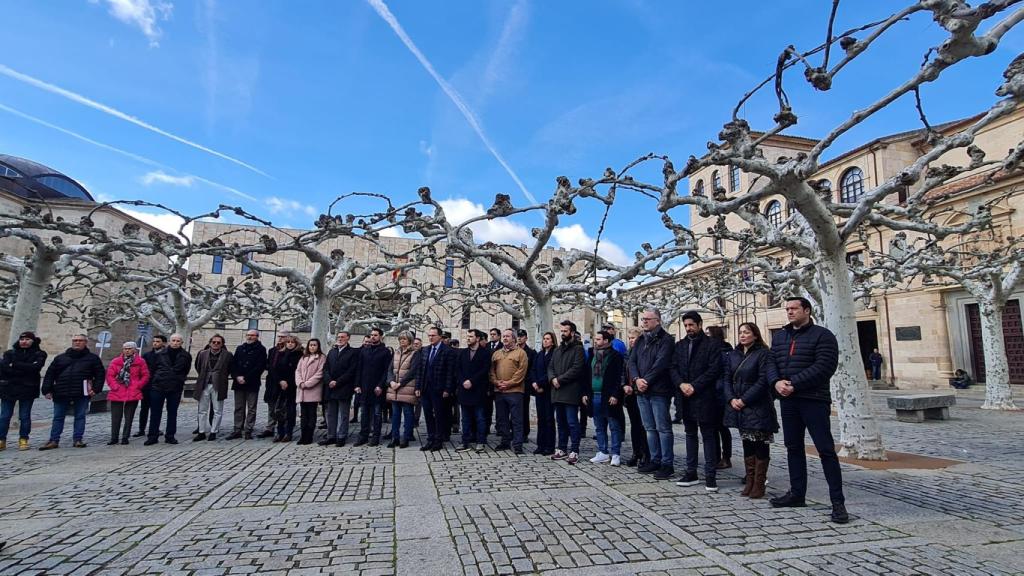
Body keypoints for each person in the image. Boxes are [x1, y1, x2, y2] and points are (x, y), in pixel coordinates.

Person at [769, 297, 848, 524]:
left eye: (794, 308)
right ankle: (797, 493)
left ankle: (837, 502)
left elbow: (824, 367)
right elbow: (772, 362)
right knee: (793, 447)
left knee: (825, 449)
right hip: (788, 400)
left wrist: (793, 382)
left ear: (807, 310)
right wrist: (776, 383)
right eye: (787, 309)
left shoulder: (823, 336)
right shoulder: (781, 336)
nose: (789, 312)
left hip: (813, 399)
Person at [723, 322, 779, 499]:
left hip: (758, 405)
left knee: (760, 443)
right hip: (738, 405)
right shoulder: (733, 355)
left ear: (755, 335)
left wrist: (744, 399)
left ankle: (759, 483)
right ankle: (750, 480)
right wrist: (731, 398)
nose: (742, 335)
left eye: (746, 332)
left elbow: (763, 380)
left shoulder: (764, 354)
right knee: (747, 442)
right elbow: (726, 378)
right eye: (740, 332)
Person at [673, 311, 724, 490]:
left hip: (704, 396)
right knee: (690, 434)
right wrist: (681, 384)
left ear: (699, 325)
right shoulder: (679, 345)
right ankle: (691, 471)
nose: (688, 329)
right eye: (686, 326)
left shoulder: (712, 345)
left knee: (708, 435)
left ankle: (710, 474)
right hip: (684, 397)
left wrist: (694, 385)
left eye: (691, 325)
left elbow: (714, 369)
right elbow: (673, 368)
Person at [629, 308, 676, 479]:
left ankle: (667, 463)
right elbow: (632, 361)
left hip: (659, 390)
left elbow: (661, 363)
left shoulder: (666, 340)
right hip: (641, 391)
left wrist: (645, 381)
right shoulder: (641, 340)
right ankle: (654, 459)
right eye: (643, 319)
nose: (644, 322)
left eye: (648, 319)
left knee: (663, 428)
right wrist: (636, 379)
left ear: (658, 320)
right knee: (649, 428)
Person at [39, 334, 105, 450]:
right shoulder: (61, 358)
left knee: (80, 416)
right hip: (61, 391)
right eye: (75, 340)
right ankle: (54, 440)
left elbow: (100, 375)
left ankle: (78, 439)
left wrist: (96, 389)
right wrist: (47, 390)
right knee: (58, 417)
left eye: (80, 340)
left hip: (81, 392)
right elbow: (50, 374)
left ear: (85, 342)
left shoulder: (93, 358)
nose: (77, 342)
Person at [0, 331, 46, 451]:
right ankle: (1, 439)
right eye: (22, 339)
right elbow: (4, 368)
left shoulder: (39, 354)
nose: (24, 342)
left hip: (28, 388)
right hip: (9, 388)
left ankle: (23, 439)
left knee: (24, 416)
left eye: (27, 339)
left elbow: (35, 368)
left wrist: (14, 365)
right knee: (4, 416)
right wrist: (25, 368)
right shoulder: (9, 353)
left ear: (32, 341)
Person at [549, 320, 586, 465]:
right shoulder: (557, 350)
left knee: (572, 422)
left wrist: (560, 379)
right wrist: (552, 378)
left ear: (571, 332)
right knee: (561, 422)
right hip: (557, 391)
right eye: (561, 331)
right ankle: (562, 448)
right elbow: (550, 366)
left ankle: (574, 450)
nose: (562, 333)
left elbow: (577, 369)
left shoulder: (578, 349)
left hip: (570, 391)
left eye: (565, 331)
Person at [588, 330, 626, 466]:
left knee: (614, 425)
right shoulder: (592, 354)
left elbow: (619, 377)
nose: (595, 341)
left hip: (609, 396)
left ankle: (616, 453)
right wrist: (586, 393)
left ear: (606, 341)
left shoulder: (615, 356)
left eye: (598, 339)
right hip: (595, 394)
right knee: (599, 426)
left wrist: (616, 394)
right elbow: (588, 375)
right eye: (595, 339)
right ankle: (602, 451)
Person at [145, 333, 191, 445]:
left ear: (181, 342)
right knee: (155, 412)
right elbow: (153, 369)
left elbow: (186, 370)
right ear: (169, 342)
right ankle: (152, 436)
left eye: (178, 341)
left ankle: (170, 436)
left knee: (172, 412)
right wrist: (156, 379)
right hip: (158, 386)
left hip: (175, 387)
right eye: (173, 340)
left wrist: (179, 379)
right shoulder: (160, 354)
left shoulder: (186, 356)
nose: (175, 343)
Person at [416, 326, 456, 451]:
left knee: (439, 415)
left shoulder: (447, 351)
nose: (431, 337)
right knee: (427, 414)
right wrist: (418, 386)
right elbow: (420, 370)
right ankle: (430, 438)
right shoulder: (425, 350)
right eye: (429, 335)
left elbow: (450, 372)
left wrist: (447, 389)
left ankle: (439, 440)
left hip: (439, 389)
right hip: (425, 389)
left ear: (439, 336)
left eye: (433, 335)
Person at [490, 328, 529, 454]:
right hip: (500, 391)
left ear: (513, 338)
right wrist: (497, 382)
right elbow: (491, 371)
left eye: (508, 336)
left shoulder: (521, 353)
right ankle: (505, 441)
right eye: (504, 336)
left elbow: (521, 372)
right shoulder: (496, 354)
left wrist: (509, 383)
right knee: (502, 419)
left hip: (515, 391)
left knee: (517, 419)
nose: (505, 338)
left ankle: (517, 444)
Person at [353, 328, 392, 447]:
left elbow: (386, 371)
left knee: (377, 414)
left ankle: (375, 436)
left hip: (377, 388)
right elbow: (359, 369)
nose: (373, 337)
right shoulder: (364, 351)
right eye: (371, 335)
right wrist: (357, 385)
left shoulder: (385, 352)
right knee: (364, 413)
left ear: (381, 336)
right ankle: (363, 436)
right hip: (364, 387)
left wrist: (381, 385)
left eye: (375, 335)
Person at [105, 342, 149, 445]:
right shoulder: (116, 361)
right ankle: (114, 437)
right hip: (117, 390)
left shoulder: (140, 362)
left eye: (129, 348)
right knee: (116, 417)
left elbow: (145, 375)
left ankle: (125, 437)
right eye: (125, 348)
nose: (127, 350)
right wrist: (114, 386)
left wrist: (138, 385)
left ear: (134, 350)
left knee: (129, 417)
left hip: (132, 391)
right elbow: (110, 376)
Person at [455, 329, 492, 452]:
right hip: (464, 390)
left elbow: (484, 370)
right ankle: (465, 441)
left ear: (477, 338)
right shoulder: (462, 353)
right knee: (465, 418)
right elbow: (458, 369)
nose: (468, 338)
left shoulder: (485, 353)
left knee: (480, 417)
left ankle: (480, 441)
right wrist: (463, 381)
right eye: (467, 336)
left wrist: (472, 381)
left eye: (471, 336)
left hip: (478, 390)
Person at [321, 331, 360, 446]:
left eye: (343, 337)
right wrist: (329, 380)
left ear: (348, 338)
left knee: (343, 413)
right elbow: (325, 368)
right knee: (331, 413)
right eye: (338, 337)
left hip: (344, 387)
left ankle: (342, 436)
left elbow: (351, 371)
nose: (340, 339)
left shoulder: (352, 352)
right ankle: (331, 435)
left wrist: (337, 382)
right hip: (330, 387)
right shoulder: (332, 352)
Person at [228, 330, 267, 440]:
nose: (250, 337)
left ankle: (248, 429)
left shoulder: (261, 349)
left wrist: (246, 378)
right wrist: (237, 376)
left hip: (252, 382)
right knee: (238, 407)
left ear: (257, 337)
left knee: (251, 407)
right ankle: (237, 429)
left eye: (252, 335)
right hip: (238, 382)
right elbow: (233, 364)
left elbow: (260, 366)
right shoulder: (240, 348)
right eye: (248, 335)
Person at [705, 325, 735, 470]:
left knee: (722, 427)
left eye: (708, 335)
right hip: (711, 394)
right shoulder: (711, 350)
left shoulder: (725, 352)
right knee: (714, 427)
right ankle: (716, 456)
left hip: (721, 394)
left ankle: (725, 457)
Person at [193, 334, 233, 442]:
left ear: (222, 344)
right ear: (210, 343)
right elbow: (198, 366)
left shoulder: (228, 355)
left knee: (217, 410)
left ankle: (214, 431)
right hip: (204, 384)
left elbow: (229, 369)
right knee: (202, 410)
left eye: (218, 342)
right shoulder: (202, 354)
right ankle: (201, 431)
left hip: (219, 385)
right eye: (213, 342)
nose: (215, 344)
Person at [386, 331, 419, 448]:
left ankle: (406, 437)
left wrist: (400, 383)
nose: (402, 341)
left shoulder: (414, 353)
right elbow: (390, 369)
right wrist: (391, 382)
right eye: (400, 339)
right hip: (394, 388)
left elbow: (412, 371)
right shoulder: (396, 352)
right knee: (395, 415)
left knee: (408, 414)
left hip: (406, 388)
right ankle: (395, 437)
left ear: (409, 340)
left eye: (404, 339)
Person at [622, 328, 650, 467]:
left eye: (633, 338)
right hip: (630, 394)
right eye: (629, 338)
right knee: (634, 425)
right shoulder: (628, 354)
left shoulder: (644, 353)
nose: (631, 340)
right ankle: (636, 452)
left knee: (643, 425)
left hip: (641, 392)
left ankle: (646, 453)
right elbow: (623, 372)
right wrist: (624, 385)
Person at [269, 335, 302, 443]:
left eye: (293, 342)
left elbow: (299, 371)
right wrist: (280, 381)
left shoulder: (299, 355)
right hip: (280, 386)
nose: (290, 344)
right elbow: (274, 369)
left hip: (292, 386)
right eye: (288, 342)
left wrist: (289, 382)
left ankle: (288, 432)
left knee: (290, 410)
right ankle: (280, 432)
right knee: (279, 410)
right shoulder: (280, 353)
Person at [260, 332, 291, 438]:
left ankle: (282, 427)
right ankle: (270, 427)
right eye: (279, 336)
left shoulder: (290, 351)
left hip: (284, 382)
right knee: (271, 405)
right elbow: (269, 365)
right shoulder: (272, 350)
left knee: (282, 407)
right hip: (272, 382)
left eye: (283, 336)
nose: (280, 338)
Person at [295, 338, 326, 445]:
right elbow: (297, 371)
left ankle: (309, 436)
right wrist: (300, 382)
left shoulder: (321, 358)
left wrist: (308, 383)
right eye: (310, 345)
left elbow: (320, 373)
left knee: (311, 415)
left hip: (313, 390)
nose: (312, 347)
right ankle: (303, 436)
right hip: (302, 389)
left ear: (318, 346)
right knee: (303, 415)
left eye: (314, 345)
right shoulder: (304, 357)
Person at [530, 331, 557, 456]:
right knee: (541, 418)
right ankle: (540, 445)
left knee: (549, 419)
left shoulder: (555, 354)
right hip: (538, 390)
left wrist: (541, 384)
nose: (545, 341)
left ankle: (549, 446)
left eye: (548, 339)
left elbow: (551, 372)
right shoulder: (539, 354)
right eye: (544, 339)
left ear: (552, 341)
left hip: (549, 390)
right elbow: (533, 369)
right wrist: (535, 383)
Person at [136, 335, 166, 437]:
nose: (155, 343)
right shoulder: (146, 355)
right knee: (144, 408)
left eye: (158, 341)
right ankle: (141, 429)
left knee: (156, 409)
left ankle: (155, 429)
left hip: (159, 385)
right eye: (154, 341)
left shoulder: (166, 355)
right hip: (146, 386)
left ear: (163, 343)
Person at [517, 329, 536, 444]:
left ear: (526, 338)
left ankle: (524, 433)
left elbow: (532, 370)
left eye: (522, 336)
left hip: (525, 385)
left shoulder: (531, 353)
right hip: (513, 385)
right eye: (518, 336)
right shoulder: (513, 351)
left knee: (524, 409)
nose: (519, 338)